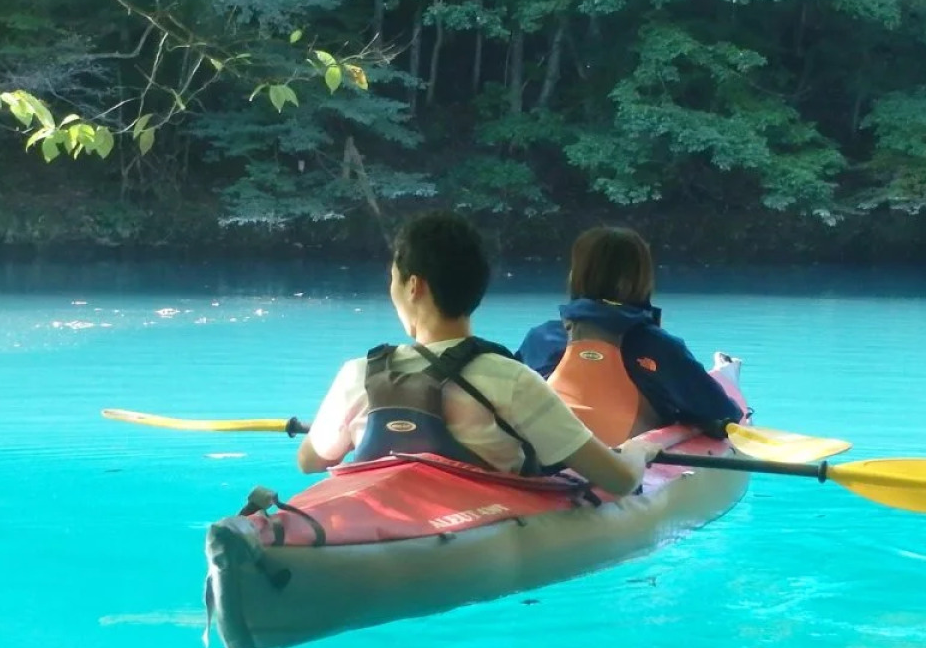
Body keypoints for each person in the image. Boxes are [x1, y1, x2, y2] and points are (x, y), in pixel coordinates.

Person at [296, 210, 653, 496]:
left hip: (389, 519)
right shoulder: (510, 379)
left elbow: (311, 461)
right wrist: (639, 452)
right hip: (477, 527)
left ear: (414, 286)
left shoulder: (357, 374)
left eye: (394, 279)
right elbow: (620, 481)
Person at [515, 226, 744, 445]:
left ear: (576, 275)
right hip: (627, 467)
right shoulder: (660, 348)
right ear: (641, 279)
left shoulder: (541, 338)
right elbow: (722, 413)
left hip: (550, 460)